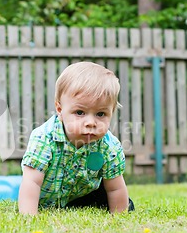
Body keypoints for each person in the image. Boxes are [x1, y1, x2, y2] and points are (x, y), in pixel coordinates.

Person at [18, 61, 134, 215]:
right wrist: (29, 216)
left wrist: (119, 217)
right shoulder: (44, 138)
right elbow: (32, 181)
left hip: (83, 195)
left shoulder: (109, 146)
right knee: (31, 195)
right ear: (60, 110)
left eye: (101, 114)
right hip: (47, 198)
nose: (91, 123)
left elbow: (115, 187)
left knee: (124, 203)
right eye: (80, 112)